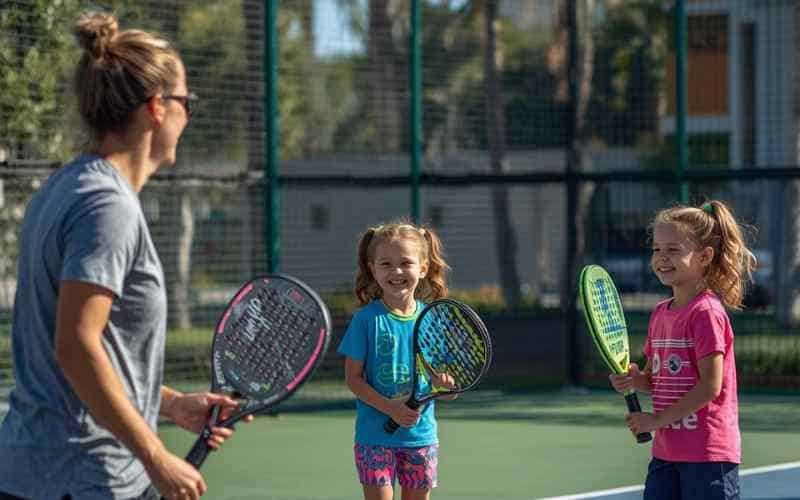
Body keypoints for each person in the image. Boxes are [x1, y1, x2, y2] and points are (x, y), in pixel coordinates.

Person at [0, 11, 250, 500]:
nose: (189, 114)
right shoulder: (106, 206)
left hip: (38, 472)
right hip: (83, 479)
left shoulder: (64, 187)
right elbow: (75, 346)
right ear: (157, 107)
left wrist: (172, 405)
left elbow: (78, 366)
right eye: (186, 101)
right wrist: (156, 456)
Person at [610, 200, 757, 500]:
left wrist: (656, 420)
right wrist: (635, 380)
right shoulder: (660, 314)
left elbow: (710, 387)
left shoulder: (706, 313)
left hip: (708, 455)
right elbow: (659, 379)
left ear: (704, 256)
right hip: (666, 452)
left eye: (673, 250)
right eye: (657, 249)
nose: (662, 257)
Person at [337, 221, 457, 500]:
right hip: (374, 438)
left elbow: (440, 385)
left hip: (420, 438)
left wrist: (444, 386)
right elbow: (353, 380)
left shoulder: (431, 320)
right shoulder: (365, 320)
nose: (397, 272)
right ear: (372, 268)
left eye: (405, 262)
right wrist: (389, 407)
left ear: (423, 267)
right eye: (386, 264)